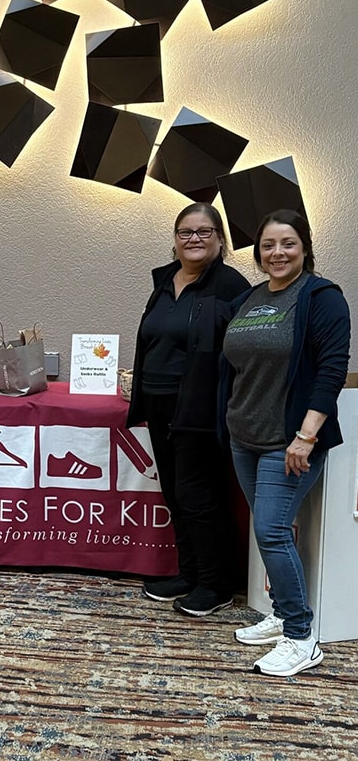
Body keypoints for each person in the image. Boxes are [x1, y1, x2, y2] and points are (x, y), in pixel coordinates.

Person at [221, 209, 350, 676]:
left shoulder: (321, 296)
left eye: (288, 243)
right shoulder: (252, 298)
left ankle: (300, 636)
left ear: (305, 247)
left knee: (272, 531)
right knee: (271, 528)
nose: (277, 253)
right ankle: (280, 615)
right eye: (269, 245)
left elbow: (332, 368)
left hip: (289, 440)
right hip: (244, 436)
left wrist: (306, 436)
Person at [127, 203, 250, 616]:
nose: (194, 239)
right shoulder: (164, 282)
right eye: (185, 232)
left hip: (199, 408)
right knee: (175, 495)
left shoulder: (231, 287)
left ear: (220, 239)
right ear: (175, 239)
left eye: (204, 231)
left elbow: (241, 352)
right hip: (157, 404)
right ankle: (190, 572)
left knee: (198, 495)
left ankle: (216, 584)